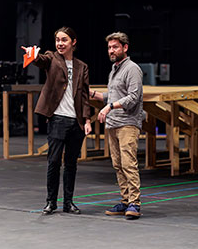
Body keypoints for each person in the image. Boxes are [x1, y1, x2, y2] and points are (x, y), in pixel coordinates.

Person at [22, 26, 91, 215]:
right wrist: (32, 55)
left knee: (71, 163)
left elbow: (85, 95)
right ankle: (51, 202)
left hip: (75, 121)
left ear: (73, 42)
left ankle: (68, 202)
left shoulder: (82, 66)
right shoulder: (51, 58)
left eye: (64, 40)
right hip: (58, 119)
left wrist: (87, 120)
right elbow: (40, 60)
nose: (60, 43)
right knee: (53, 161)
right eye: (58, 40)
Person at [89, 32, 143, 219]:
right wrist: (94, 94)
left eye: (115, 47)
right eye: (110, 47)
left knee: (128, 164)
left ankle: (135, 204)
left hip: (127, 123)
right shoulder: (114, 70)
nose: (111, 50)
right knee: (118, 165)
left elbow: (133, 97)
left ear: (125, 48)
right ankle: (125, 201)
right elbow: (111, 96)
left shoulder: (132, 69)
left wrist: (109, 106)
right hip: (113, 124)